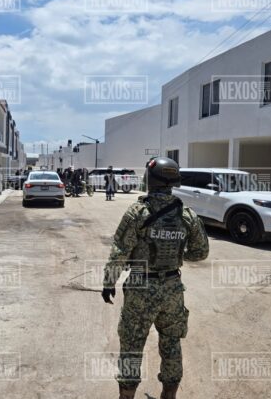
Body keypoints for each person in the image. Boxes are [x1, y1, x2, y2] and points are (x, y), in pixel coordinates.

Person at [101, 157, 209, 399]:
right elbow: (201, 252)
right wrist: (178, 255)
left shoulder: (138, 212)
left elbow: (120, 251)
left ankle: (126, 395)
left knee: (132, 345)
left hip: (141, 286)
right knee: (171, 344)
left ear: (151, 180)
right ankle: (169, 395)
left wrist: (109, 282)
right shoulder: (186, 214)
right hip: (172, 288)